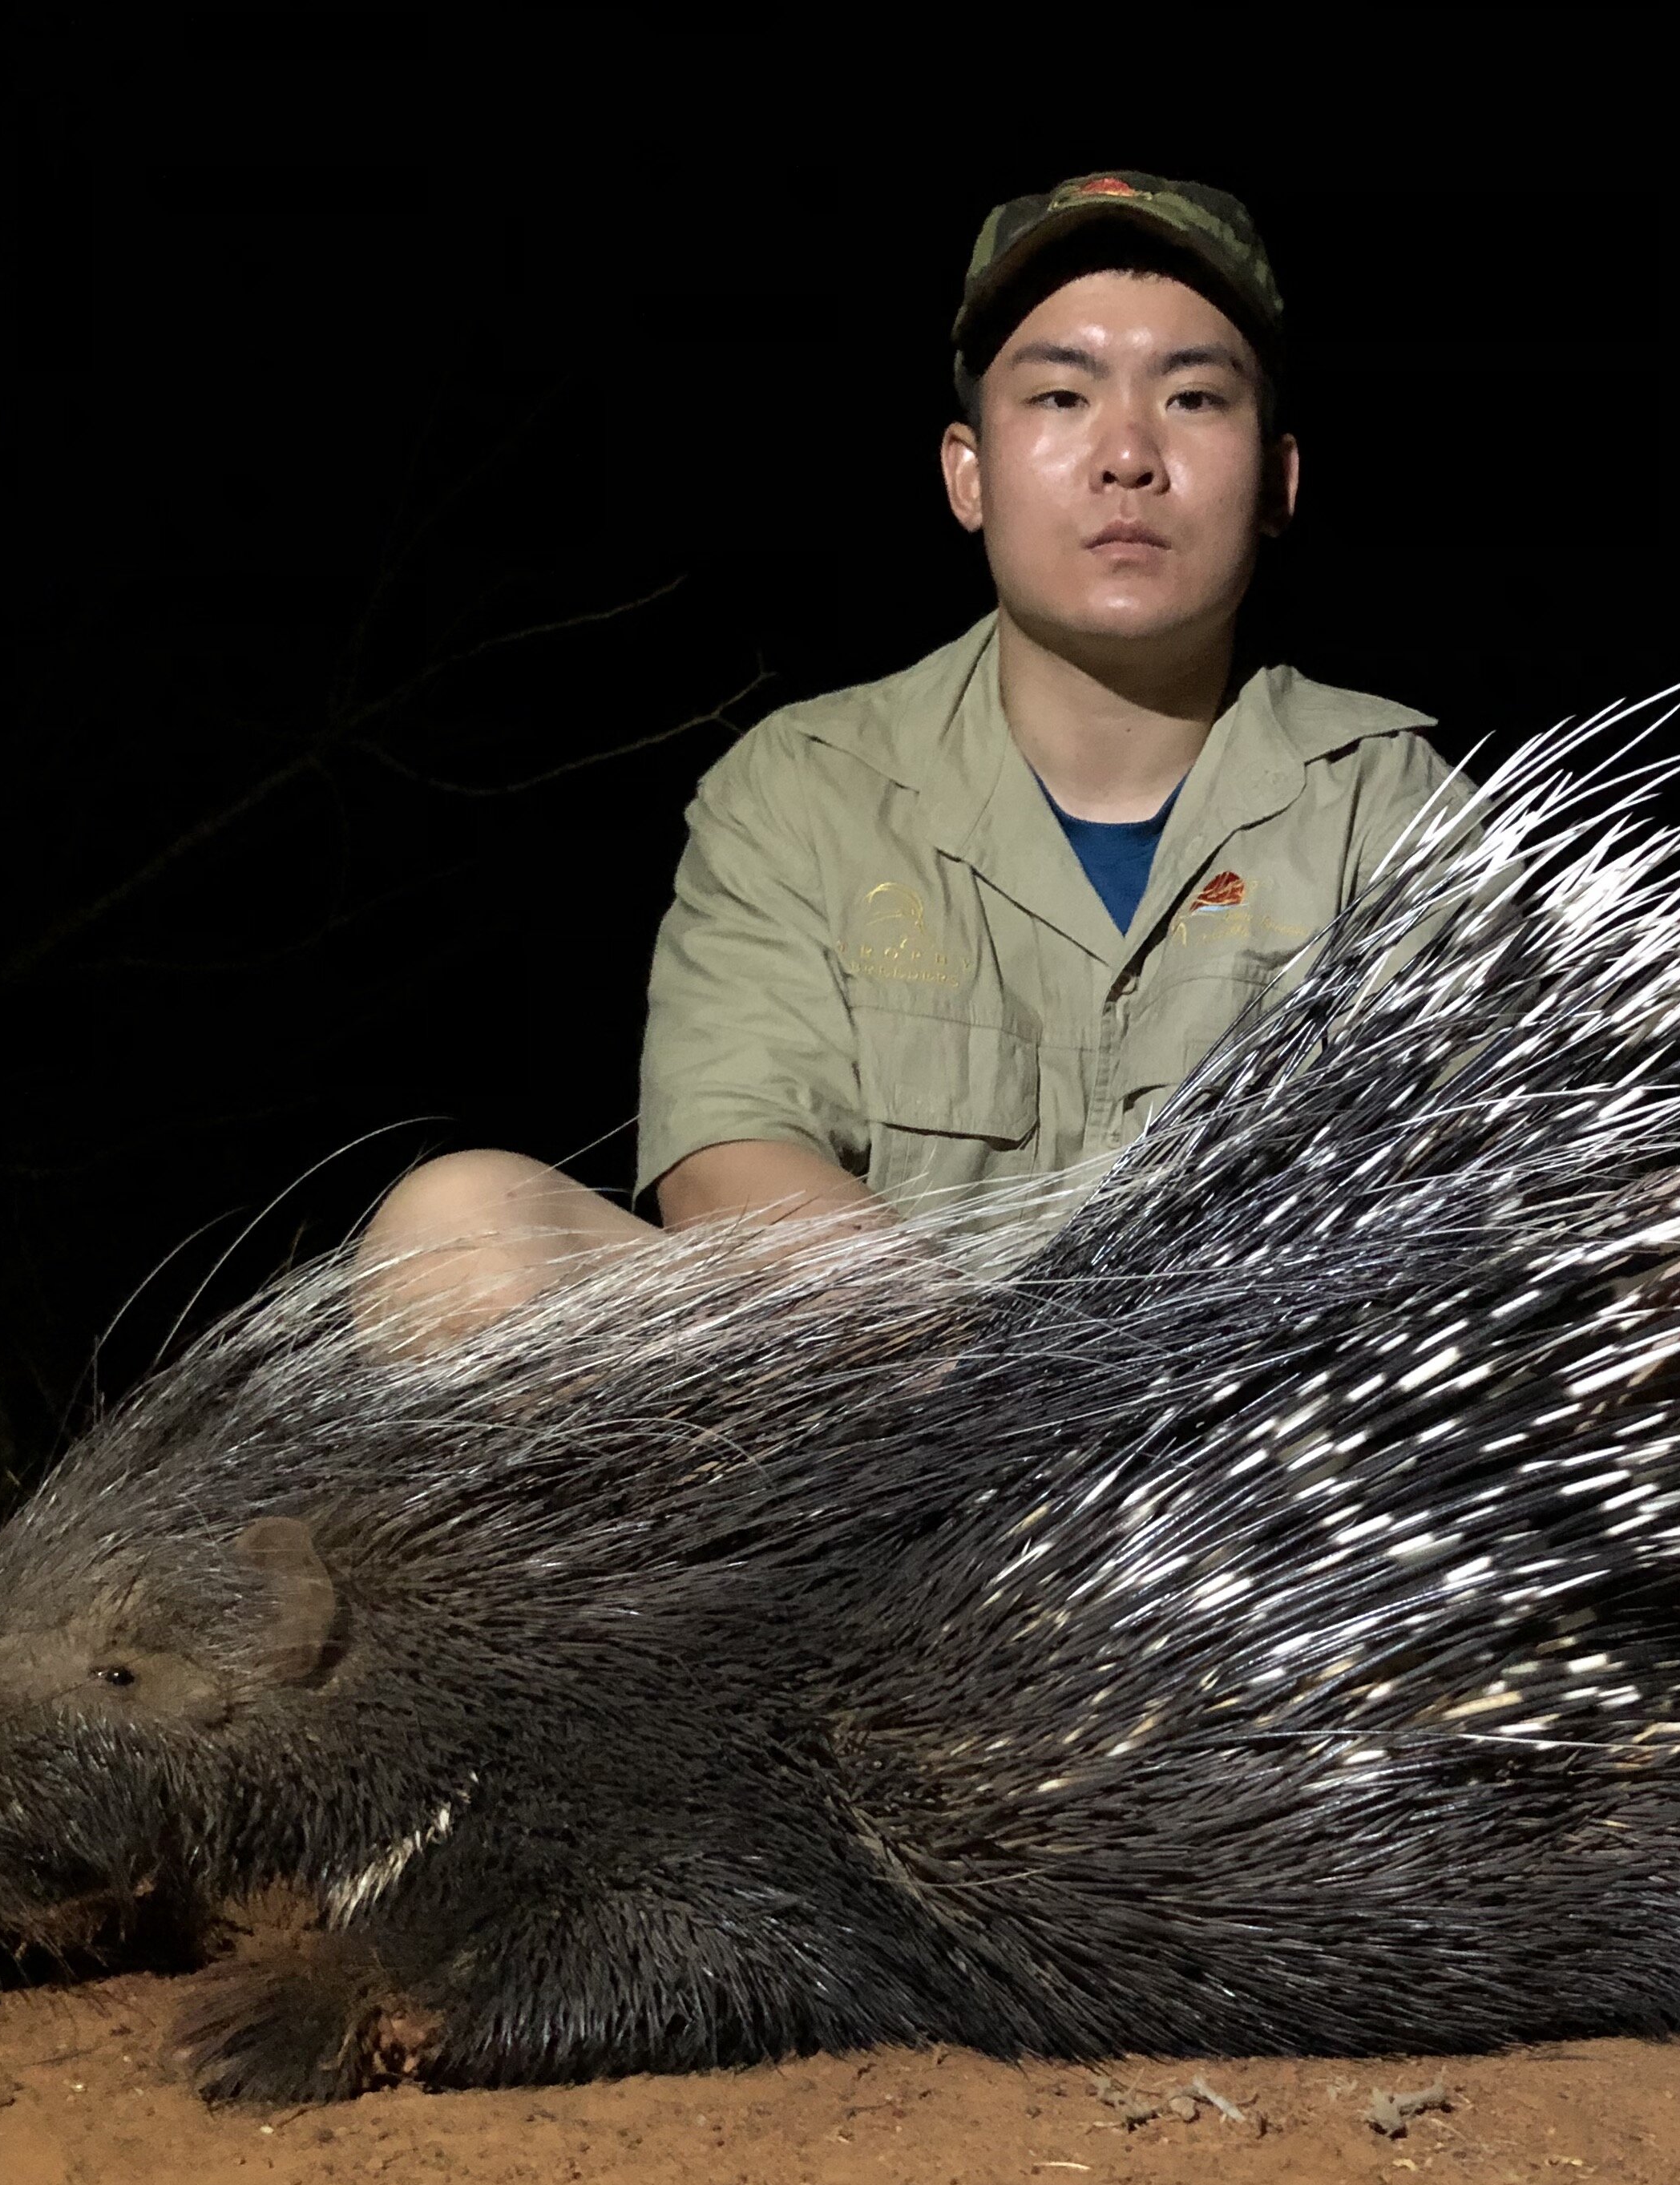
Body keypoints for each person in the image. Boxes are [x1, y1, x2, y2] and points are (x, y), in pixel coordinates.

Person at [355, 172, 1464, 1351]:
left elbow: (1495, 1168)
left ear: (1279, 482)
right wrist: (986, 1404)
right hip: (873, 1441)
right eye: (1059, 396)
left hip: (1252, 1465)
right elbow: (728, 1158)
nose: (1129, 454)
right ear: (967, 475)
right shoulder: (805, 788)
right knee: (461, 1225)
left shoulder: (1386, 800)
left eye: (1194, 398)